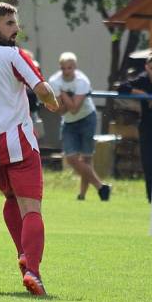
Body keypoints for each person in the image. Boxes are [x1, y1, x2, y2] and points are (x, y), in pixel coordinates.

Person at [0, 2, 59, 295]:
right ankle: (33, 270)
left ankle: (22, 252)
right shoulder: (12, 54)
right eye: (9, 23)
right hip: (18, 145)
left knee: (10, 197)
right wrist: (53, 103)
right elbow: (41, 88)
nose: (16, 29)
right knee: (31, 209)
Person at [49, 52, 111, 201]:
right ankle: (101, 187)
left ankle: (82, 195)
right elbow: (60, 109)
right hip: (69, 122)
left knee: (86, 159)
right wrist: (66, 103)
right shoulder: (54, 81)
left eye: (69, 68)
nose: (66, 71)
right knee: (71, 158)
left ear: (75, 67)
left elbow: (74, 108)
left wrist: (63, 94)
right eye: (63, 68)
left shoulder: (82, 81)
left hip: (86, 119)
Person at [120, 53, 152, 203]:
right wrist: (143, 94)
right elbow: (123, 87)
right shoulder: (142, 80)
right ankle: (151, 199)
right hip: (147, 128)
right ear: (146, 68)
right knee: (148, 164)